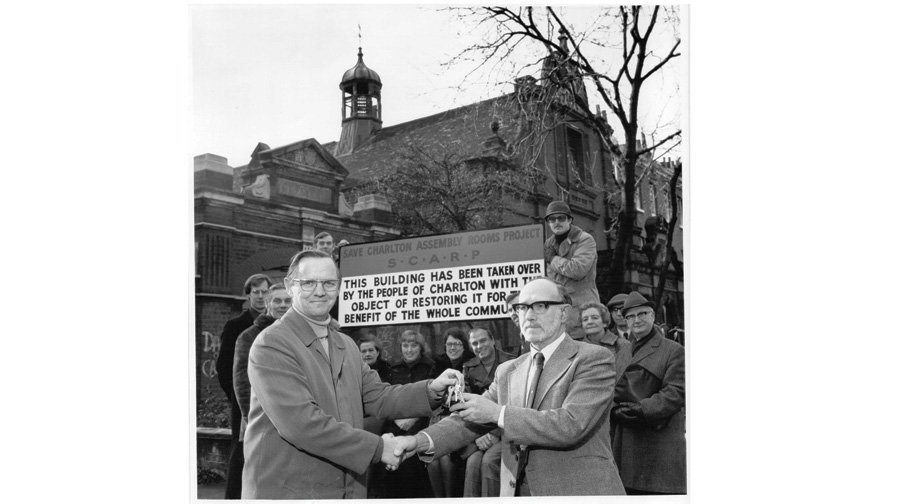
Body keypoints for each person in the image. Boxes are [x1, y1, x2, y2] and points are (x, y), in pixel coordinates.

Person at [241, 250, 463, 499]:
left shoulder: (345, 344)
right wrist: (379, 448)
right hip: (289, 490)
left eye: (328, 283)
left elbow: (379, 396)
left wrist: (432, 390)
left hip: (345, 488)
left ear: (338, 287)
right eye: (308, 283)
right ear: (289, 286)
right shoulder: (272, 344)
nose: (320, 291)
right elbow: (301, 424)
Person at [392, 277, 626, 496]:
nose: (529, 315)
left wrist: (498, 414)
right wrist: (418, 441)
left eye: (541, 305)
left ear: (564, 313)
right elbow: (468, 418)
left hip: (577, 489)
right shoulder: (507, 371)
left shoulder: (594, 358)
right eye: (522, 307)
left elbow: (571, 425)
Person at [610, 291, 686, 495]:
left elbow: (676, 392)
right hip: (626, 444)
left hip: (659, 445)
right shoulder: (622, 353)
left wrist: (642, 409)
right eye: (631, 316)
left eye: (643, 314)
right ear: (625, 321)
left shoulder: (674, 350)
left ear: (653, 316)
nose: (637, 320)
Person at [215, 273, 272, 499]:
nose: (260, 297)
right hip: (243, 402)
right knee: (241, 454)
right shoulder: (236, 325)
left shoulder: (278, 322)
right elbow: (224, 367)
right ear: (248, 296)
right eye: (255, 292)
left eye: (264, 291)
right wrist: (237, 399)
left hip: (271, 400)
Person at [232, 283, 292, 468]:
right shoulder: (249, 336)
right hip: (261, 415)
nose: (282, 305)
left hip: (292, 414)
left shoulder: (298, 333)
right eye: (277, 300)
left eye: (287, 301)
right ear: (268, 304)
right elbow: (242, 380)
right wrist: (248, 416)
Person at [381, 330, 438, 498]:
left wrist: (411, 419)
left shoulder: (431, 367)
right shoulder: (393, 368)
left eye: (414, 345)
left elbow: (434, 398)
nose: (409, 349)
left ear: (421, 348)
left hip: (420, 421)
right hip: (394, 420)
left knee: (410, 465)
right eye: (405, 345)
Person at [461, 327, 515, 497]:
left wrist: (494, 433)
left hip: (504, 429)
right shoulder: (468, 368)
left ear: (493, 341)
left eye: (483, 341)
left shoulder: (512, 362)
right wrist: (479, 435)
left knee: (489, 461)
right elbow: (466, 404)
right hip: (479, 432)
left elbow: (515, 404)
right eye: (474, 343)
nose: (479, 346)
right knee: (472, 463)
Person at [427, 328, 476, 498]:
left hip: (460, 417)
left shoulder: (471, 363)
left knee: (446, 458)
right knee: (431, 458)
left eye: (457, 344)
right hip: (438, 416)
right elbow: (432, 395)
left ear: (464, 346)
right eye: (449, 344)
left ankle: (450, 498)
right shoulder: (438, 364)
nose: (453, 348)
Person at [543, 200, 600, 341]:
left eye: (561, 218)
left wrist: (553, 259)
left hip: (584, 312)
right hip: (560, 314)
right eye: (552, 219)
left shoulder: (585, 240)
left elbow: (577, 270)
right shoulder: (549, 244)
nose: (556, 222)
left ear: (569, 220)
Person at [579, 302, 632, 384]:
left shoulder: (622, 345)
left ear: (604, 322)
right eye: (585, 319)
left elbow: (621, 380)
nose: (589, 322)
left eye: (594, 318)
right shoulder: (577, 349)